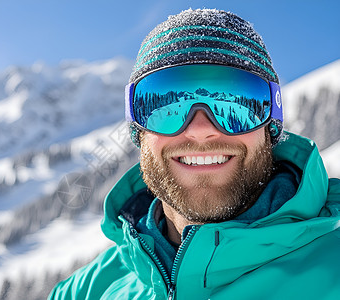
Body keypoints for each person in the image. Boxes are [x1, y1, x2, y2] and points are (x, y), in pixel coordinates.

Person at [49, 8, 340, 300]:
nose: (200, 129)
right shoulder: (84, 291)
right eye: (167, 106)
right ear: (139, 131)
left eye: (236, 105)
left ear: (270, 125)